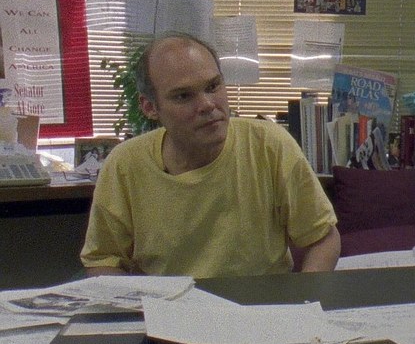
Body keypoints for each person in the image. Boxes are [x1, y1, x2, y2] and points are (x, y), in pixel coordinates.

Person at [81, 33, 340, 278]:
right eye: (183, 96)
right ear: (150, 107)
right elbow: (103, 261)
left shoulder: (269, 145)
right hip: (166, 306)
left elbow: (323, 239)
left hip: (260, 304)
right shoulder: (125, 164)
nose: (207, 104)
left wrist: (305, 300)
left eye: (213, 86)